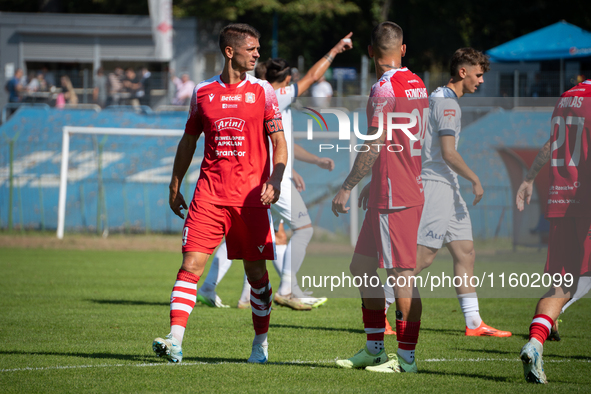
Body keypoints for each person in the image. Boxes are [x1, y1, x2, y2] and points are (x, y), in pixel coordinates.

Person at [152, 23, 287, 365]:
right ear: (231, 52)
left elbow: (279, 143)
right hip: (208, 197)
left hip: (250, 200)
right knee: (190, 266)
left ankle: (260, 343)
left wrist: (278, 177)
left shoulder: (263, 93)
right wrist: (174, 183)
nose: (257, 54)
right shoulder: (202, 93)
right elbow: (188, 141)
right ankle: (175, 340)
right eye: (251, 49)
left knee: (256, 276)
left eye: (258, 49)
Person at [196, 33, 353, 311]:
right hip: (267, 180)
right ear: (288, 80)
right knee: (302, 228)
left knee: (251, 238)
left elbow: (282, 143)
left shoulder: (257, 95)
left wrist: (298, 167)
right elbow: (314, 76)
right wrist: (335, 50)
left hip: (260, 176)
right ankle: (288, 288)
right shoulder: (274, 95)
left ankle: (234, 292)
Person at [332, 21, 428, 373]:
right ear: (403, 50)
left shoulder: (383, 89)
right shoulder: (417, 83)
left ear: (370, 52)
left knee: (402, 276)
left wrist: (348, 185)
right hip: (392, 187)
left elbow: (375, 140)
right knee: (361, 266)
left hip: (397, 195)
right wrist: (376, 178)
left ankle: (405, 359)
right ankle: (374, 348)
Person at [395, 48, 510, 338]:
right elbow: (448, 153)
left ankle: (473, 323)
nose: (481, 81)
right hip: (436, 183)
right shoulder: (447, 104)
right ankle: (379, 304)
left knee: (465, 251)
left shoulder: (436, 97)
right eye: (478, 75)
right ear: (463, 72)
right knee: (422, 258)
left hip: (446, 184)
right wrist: (475, 178)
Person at [515, 78, 591, 384]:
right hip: (584, 203)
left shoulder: (566, 98)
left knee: (561, 286)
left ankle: (534, 344)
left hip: (561, 202)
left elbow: (553, 143)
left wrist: (530, 177)